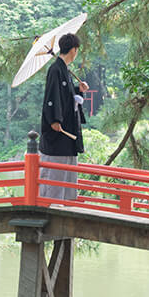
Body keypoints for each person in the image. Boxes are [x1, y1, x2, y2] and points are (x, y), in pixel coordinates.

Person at [39, 32, 88, 201]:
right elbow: (52, 97)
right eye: (77, 50)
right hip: (59, 130)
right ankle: (52, 204)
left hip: (67, 129)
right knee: (56, 170)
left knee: (67, 170)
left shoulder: (63, 69)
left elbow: (65, 95)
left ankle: (65, 202)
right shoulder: (55, 69)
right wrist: (54, 120)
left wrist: (77, 90)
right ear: (74, 50)